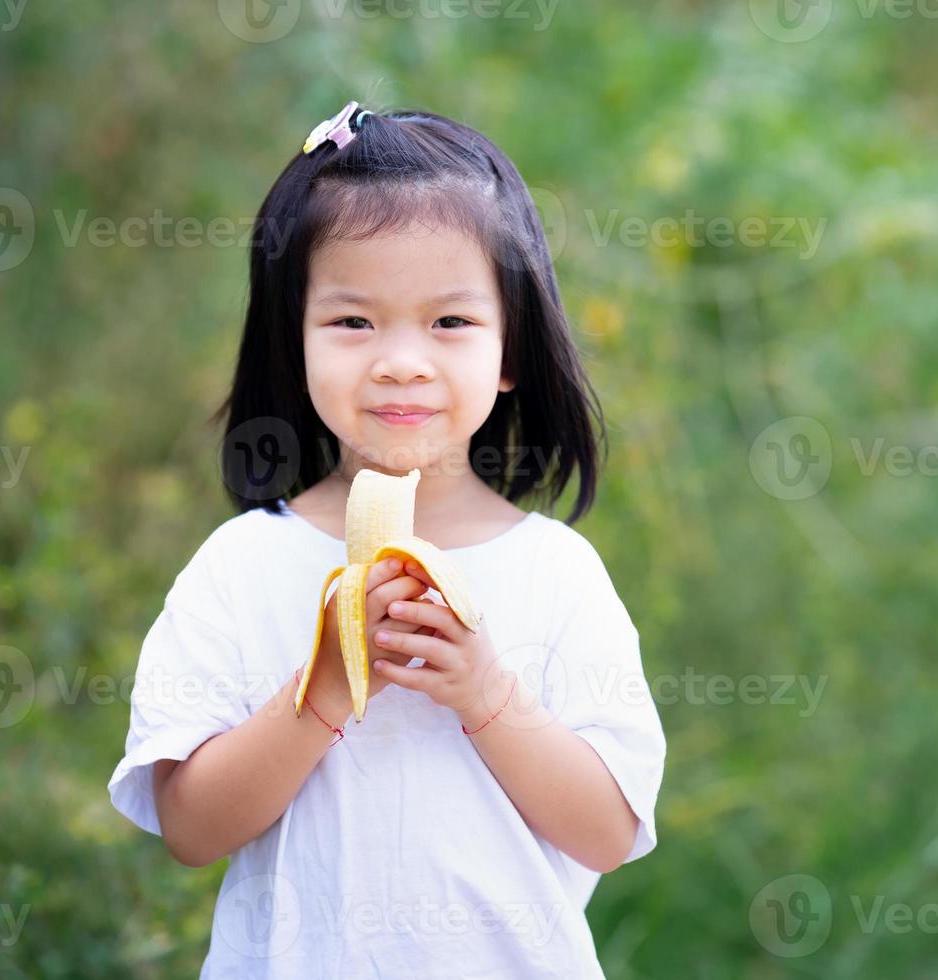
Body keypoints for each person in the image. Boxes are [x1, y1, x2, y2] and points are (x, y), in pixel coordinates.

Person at [105, 100, 666, 978]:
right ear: (293, 345)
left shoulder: (556, 573)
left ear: (511, 348)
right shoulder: (244, 567)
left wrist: (485, 691)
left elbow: (609, 830)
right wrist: (321, 688)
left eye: (450, 322)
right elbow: (190, 827)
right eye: (353, 322)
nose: (401, 360)